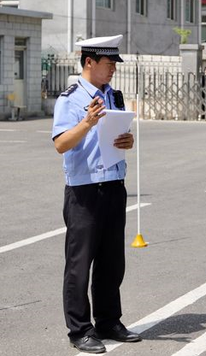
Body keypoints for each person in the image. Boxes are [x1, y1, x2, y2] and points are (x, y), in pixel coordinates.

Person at [52, 34, 140, 354]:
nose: (113, 69)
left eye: (115, 63)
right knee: (80, 263)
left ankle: (108, 321)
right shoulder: (71, 99)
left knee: (111, 261)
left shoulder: (113, 96)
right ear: (89, 62)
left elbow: (119, 135)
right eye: (108, 63)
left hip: (114, 186)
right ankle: (79, 329)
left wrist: (127, 142)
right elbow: (61, 143)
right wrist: (87, 122)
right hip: (85, 191)